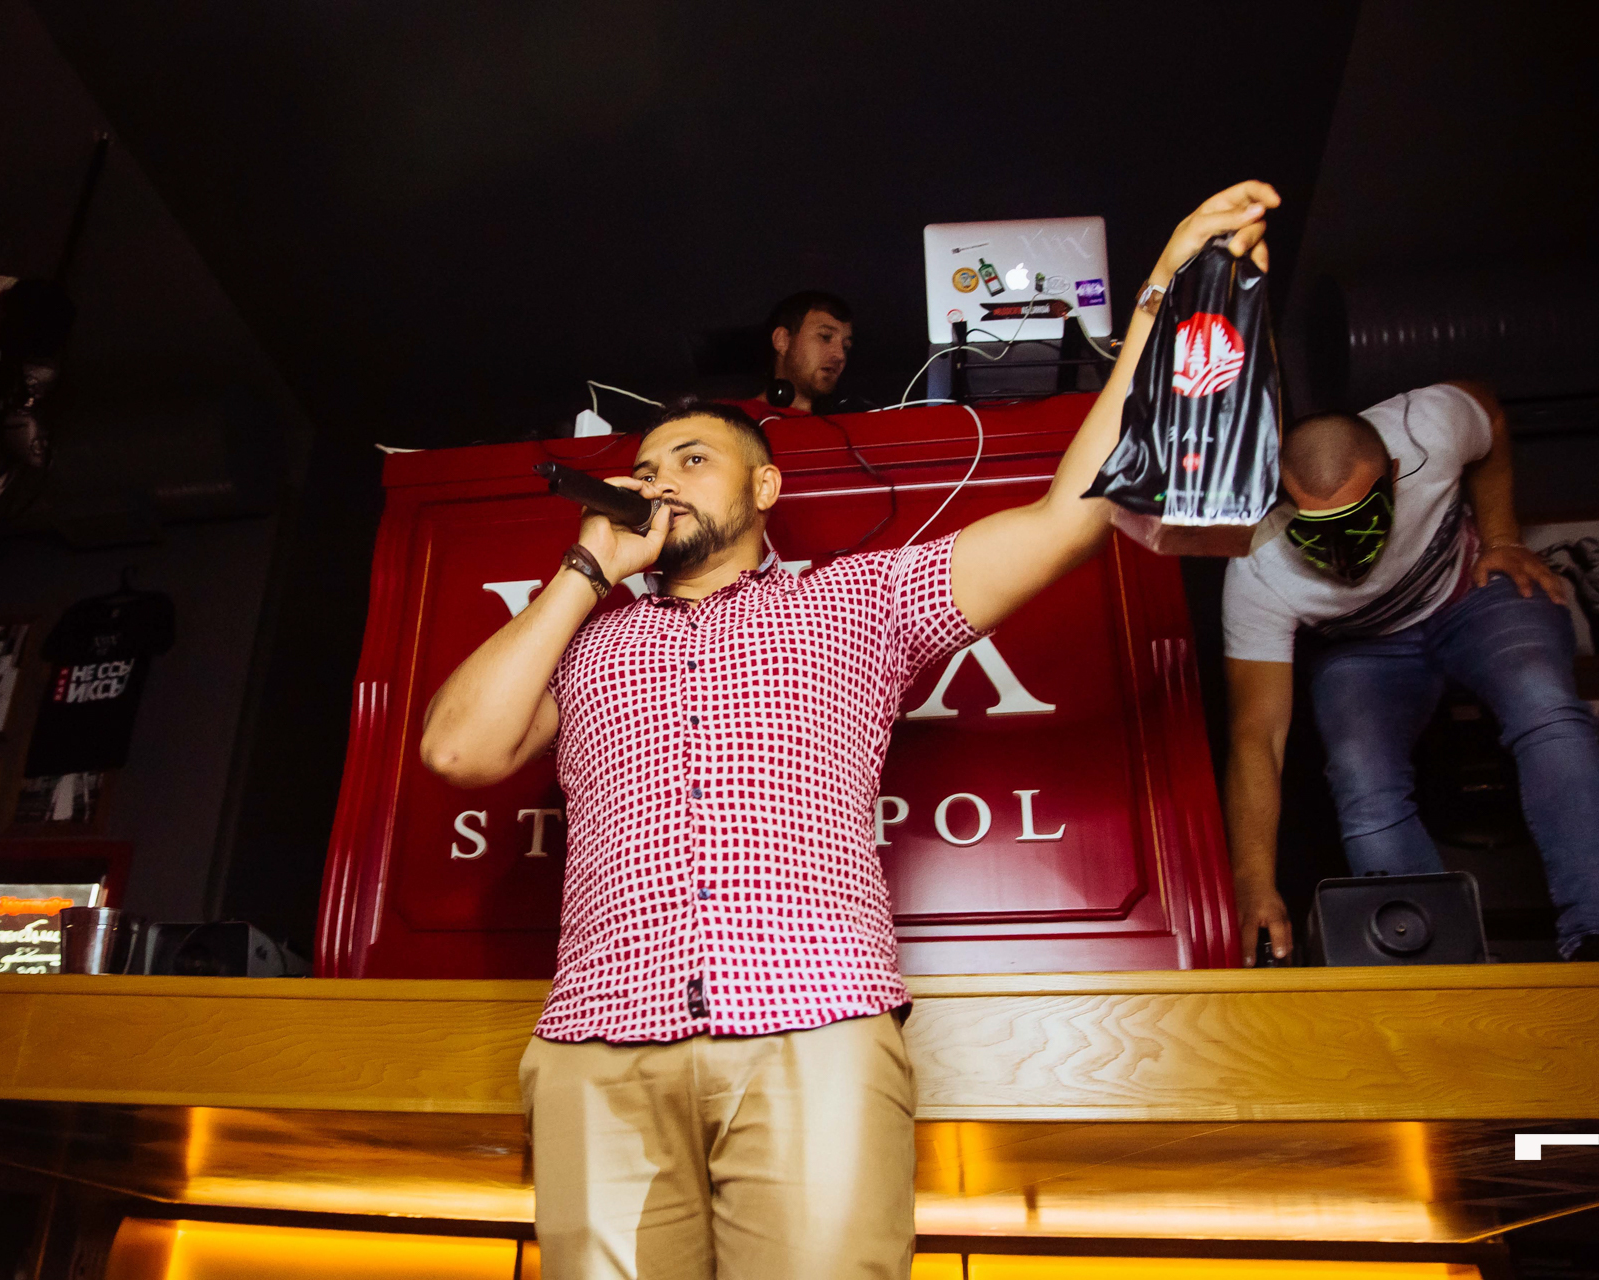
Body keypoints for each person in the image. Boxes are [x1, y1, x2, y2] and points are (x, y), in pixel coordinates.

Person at [420, 182, 1279, 1279]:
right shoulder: (584, 637)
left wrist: (1159, 294)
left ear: (766, 484)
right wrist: (585, 569)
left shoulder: (857, 601)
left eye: (692, 460)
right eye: (646, 468)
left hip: (811, 1026)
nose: (660, 482)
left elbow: (1069, 517)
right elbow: (457, 750)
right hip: (598, 1045)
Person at [1222, 381, 1599, 966]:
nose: (1342, 552)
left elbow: (1491, 416)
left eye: (1355, 522)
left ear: (1394, 474)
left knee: (1545, 706)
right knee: (1360, 771)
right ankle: (1435, 967)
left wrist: (1501, 535)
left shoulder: (1426, 427)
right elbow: (1258, 736)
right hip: (1365, 648)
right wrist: (1252, 883)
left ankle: (1594, 929)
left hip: (1472, 594)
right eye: (1317, 531)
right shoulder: (1257, 564)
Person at [730, 290, 853, 420]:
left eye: (846, 347)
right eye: (825, 337)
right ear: (782, 340)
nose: (840, 355)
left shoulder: (849, 424)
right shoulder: (730, 419)